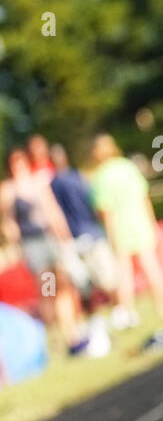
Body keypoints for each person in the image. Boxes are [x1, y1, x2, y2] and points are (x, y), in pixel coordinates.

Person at [0, 148, 90, 354]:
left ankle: (71, 328)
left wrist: (63, 234)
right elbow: (9, 221)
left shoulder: (37, 183)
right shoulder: (8, 190)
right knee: (47, 289)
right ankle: (56, 332)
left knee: (63, 285)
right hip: (33, 244)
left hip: (49, 239)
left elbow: (52, 209)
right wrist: (14, 242)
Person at [86, 134, 163, 325]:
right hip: (140, 221)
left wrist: (110, 235)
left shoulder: (100, 176)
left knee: (124, 272)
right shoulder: (127, 167)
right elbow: (144, 196)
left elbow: (105, 210)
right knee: (150, 265)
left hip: (119, 227)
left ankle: (126, 312)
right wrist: (152, 222)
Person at [48, 143, 119, 311]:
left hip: (85, 233)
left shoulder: (71, 178)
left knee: (101, 277)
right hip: (81, 234)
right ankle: (110, 308)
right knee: (94, 279)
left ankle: (114, 307)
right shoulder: (69, 180)